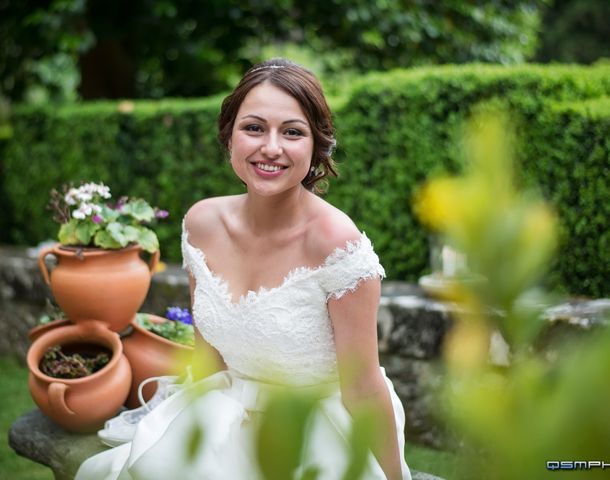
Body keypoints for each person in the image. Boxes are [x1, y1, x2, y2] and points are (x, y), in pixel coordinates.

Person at [76, 58, 412, 480]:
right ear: (229, 137)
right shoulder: (202, 224)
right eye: (254, 128)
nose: (271, 147)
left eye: (292, 132)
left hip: (315, 431)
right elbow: (209, 356)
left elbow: (362, 387)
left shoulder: (335, 244)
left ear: (317, 147)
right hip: (227, 413)